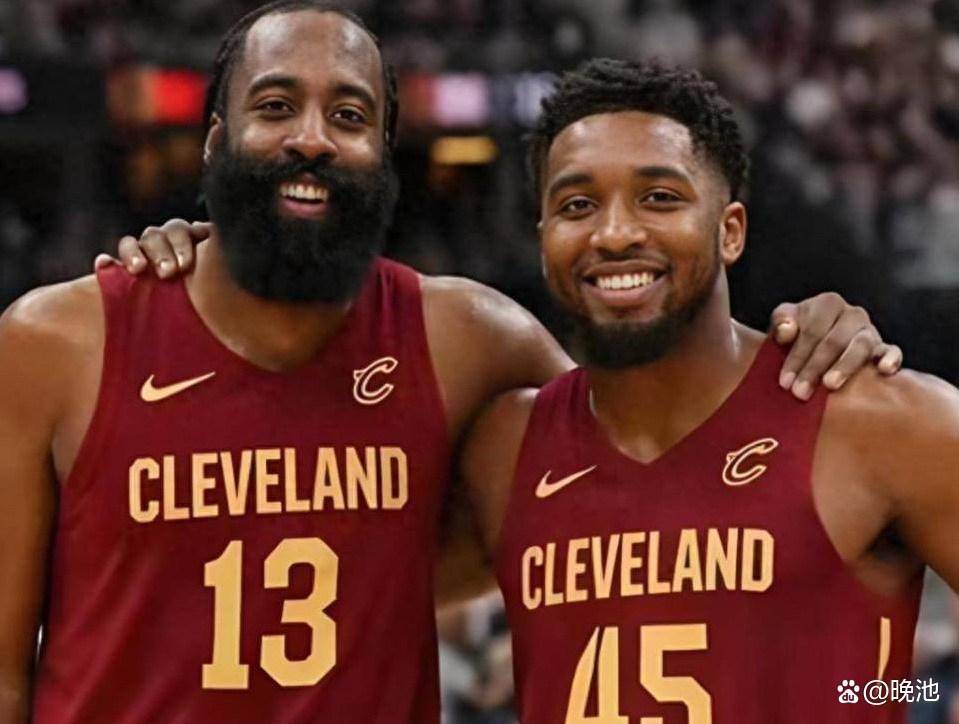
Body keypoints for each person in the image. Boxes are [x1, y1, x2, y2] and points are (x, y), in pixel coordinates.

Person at [0, 3, 898, 723]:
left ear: (382, 155)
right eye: (274, 108)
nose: (311, 138)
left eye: (349, 116)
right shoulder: (56, 343)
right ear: (213, 144)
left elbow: (651, 449)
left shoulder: (469, 340)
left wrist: (811, 340)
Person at [458, 59, 959, 723]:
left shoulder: (878, 421)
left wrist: (897, 693)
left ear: (730, 231)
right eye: (577, 205)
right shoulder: (499, 448)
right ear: (544, 236)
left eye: (659, 198)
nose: (615, 233)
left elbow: (908, 690)